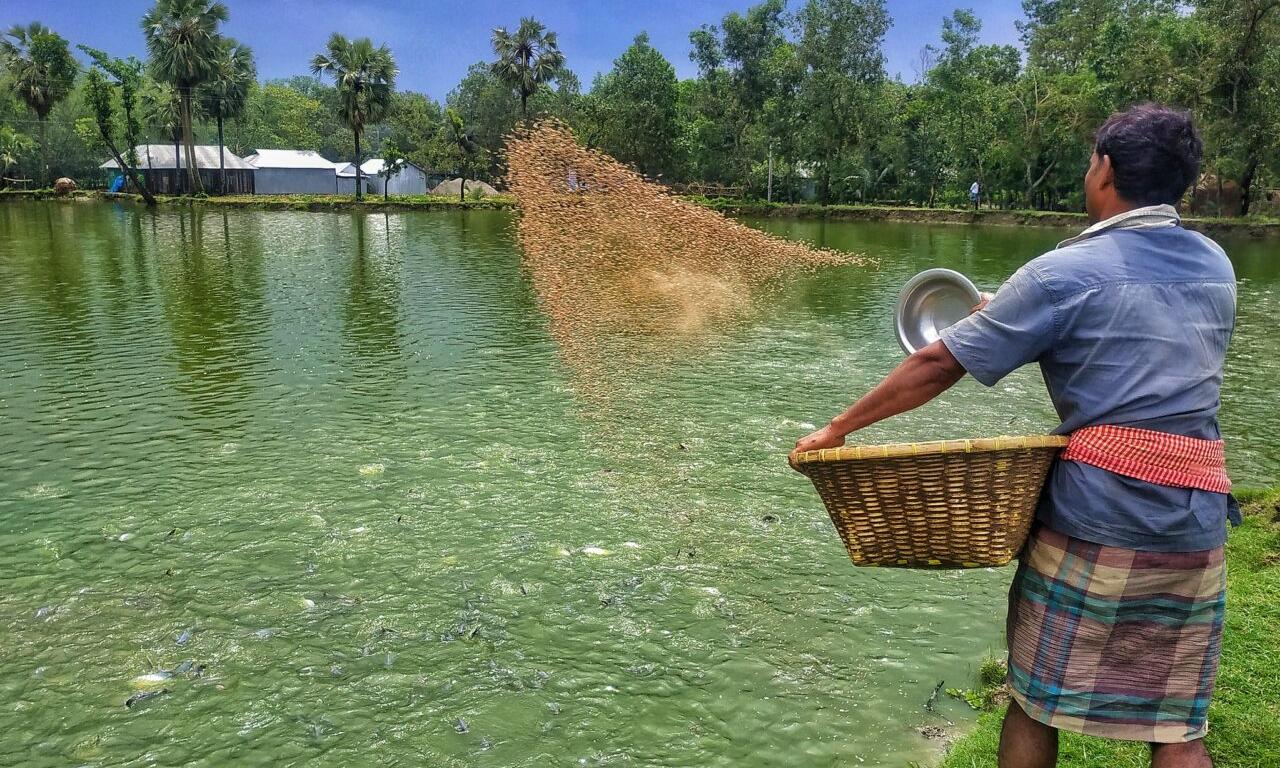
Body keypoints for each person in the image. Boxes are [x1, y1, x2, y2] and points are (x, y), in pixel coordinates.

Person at [791, 104, 1235, 768]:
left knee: (1033, 701)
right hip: (1196, 522)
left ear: (1107, 170)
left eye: (1092, 162)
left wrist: (838, 428)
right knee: (1175, 726)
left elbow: (939, 361)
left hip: (1099, 517)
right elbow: (1136, 336)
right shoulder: (1215, 264)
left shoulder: (1063, 273)